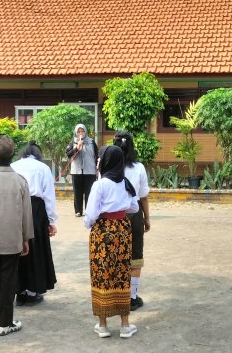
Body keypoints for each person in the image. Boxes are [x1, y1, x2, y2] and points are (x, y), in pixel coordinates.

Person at [83, 145, 140, 339]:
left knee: (102, 273)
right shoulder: (125, 183)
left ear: (105, 161)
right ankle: (125, 325)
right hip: (123, 230)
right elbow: (134, 207)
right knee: (122, 272)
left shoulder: (100, 185)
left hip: (103, 232)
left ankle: (103, 325)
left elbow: (90, 215)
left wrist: (89, 223)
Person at [0, 135, 32, 336]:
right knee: (9, 281)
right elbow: (26, 214)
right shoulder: (20, 181)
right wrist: (26, 238)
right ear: (12, 156)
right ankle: (5, 324)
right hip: (12, 240)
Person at [10, 141, 58, 305]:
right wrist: (51, 221)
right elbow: (49, 196)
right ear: (38, 154)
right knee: (35, 248)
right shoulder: (42, 168)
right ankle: (32, 291)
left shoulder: (13, 165)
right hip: (36, 209)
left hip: (15, 208)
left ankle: (19, 291)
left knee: (17, 249)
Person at [113, 131, 151, 311]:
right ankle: (132, 297)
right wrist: (147, 218)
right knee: (135, 257)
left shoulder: (105, 167)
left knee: (115, 256)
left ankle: (115, 295)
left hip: (112, 217)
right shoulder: (139, 168)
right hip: (133, 215)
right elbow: (143, 197)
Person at [66, 124, 98, 217]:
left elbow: (97, 155)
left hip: (90, 171)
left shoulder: (91, 142)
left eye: (82, 131)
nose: (81, 133)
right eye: (79, 131)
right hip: (77, 171)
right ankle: (78, 210)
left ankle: (89, 210)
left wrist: (97, 168)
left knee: (89, 192)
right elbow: (68, 154)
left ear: (85, 132)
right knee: (77, 192)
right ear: (76, 132)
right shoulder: (73, 142)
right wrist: (77, 147)